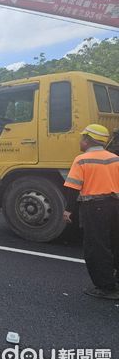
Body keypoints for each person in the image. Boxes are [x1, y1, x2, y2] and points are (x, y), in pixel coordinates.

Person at [63, 124, 119, 300]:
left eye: (82, 138)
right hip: (116, 205)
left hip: (95, 208)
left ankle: (106, 288)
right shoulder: (115, 159)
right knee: (115, 243)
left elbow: (73, 188)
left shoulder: (82, 160)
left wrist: (68, 211)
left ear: (88, 140)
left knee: (96, 247)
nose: (80, 141)